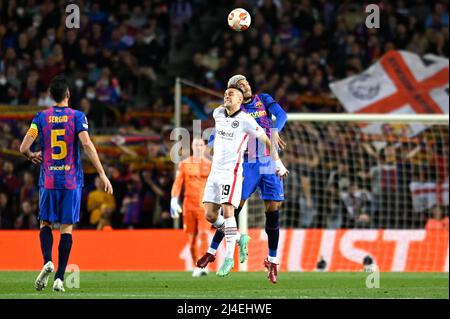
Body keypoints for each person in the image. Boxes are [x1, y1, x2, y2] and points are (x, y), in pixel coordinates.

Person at [19, 75, 113, 292]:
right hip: (71, 181)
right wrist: (102, 173)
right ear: (68, 94)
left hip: (49, 180)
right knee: (67, 228)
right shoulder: (78, 117)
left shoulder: (40, 117)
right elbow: (87, 144)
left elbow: (24, 147)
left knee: (46, 224)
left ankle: (47, 261)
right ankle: (60, 278)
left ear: (51, 96)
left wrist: (31, 154)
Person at [197, 75, 288, 284]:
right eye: (239, 84)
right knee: (231, 208)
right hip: (247, 163)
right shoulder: (232, 109)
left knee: (273, 209)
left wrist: (274, 130)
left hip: (266, 158)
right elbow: (219, 131)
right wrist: (209, 144)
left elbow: (281, 115)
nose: (245, 85)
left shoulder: (263, 99)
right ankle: (212, 251)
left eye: (245, 82)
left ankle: (272, 262)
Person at [171, 137, 212, 277]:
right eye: (196, 144)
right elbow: (178, 183)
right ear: (192, 146)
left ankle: (203, 265)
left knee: (204, 234)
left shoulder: (210, 165)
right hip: (188, 205)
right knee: (192, 239)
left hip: (204, 206)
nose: (199, 147)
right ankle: (197, 265)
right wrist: (173, 200)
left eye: (201, 144)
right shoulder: (184, 164)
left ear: (205, 147)